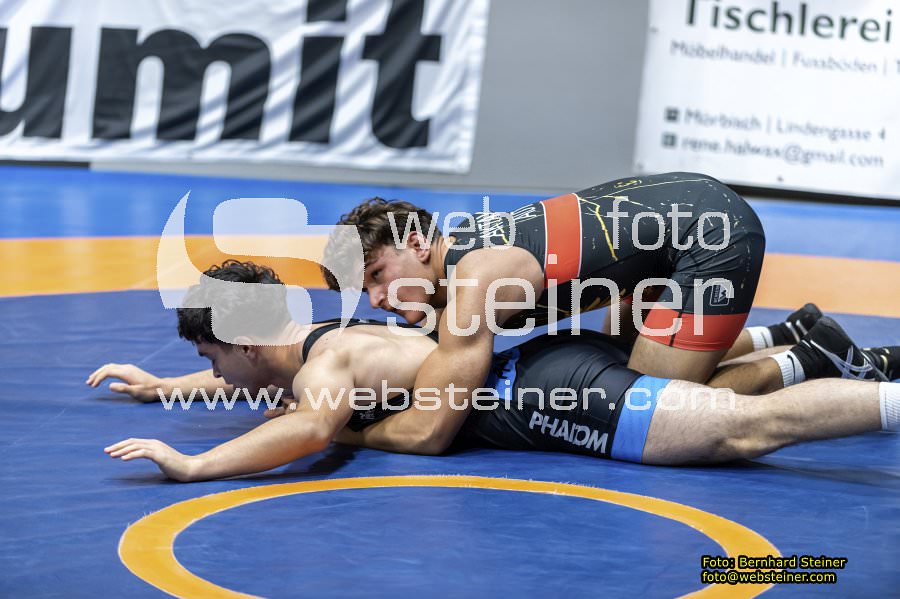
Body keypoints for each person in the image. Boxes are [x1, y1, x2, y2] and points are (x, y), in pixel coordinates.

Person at [94, 261, 900, 482]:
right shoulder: (306, 338)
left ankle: (864, 387)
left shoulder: (322, 369)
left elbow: (308, 426)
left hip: (555, 400)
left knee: (741, 431)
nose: (210, 371)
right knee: (711, 402)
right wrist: (162, 387)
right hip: (553, 367)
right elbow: (251, 383)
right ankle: (799, 351)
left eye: (208, 355)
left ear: (242, 341)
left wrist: (194, 462)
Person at [322, 172, 888, 452]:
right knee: (622, 357)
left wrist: (341, 432)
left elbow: (430, 431)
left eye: (377, 275)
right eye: (364, 292)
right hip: (663, 235)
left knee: (656, 400)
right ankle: (788, 334)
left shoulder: (474, 281)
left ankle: (812, 358)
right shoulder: (452, 266)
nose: (378, 300)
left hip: (706, 235)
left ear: (418, 243)